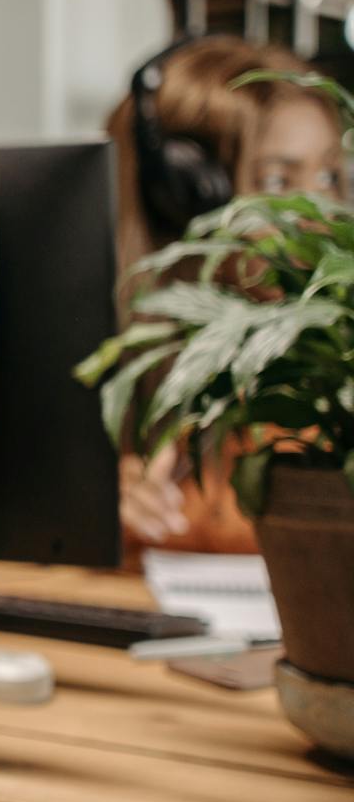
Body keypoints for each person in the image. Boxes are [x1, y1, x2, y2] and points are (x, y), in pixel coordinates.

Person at [104, 35, 343, 551]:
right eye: (279, 181)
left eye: (328, 175)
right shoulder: (99, 383)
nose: (321, 212)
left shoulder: (330, 378)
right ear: (187, 202)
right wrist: (97, 513)